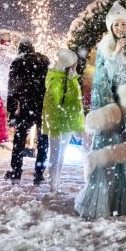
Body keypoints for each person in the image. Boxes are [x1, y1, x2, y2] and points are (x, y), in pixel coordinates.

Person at [75, 2, 126, 219]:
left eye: (123, 24)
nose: (121, 28)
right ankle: (108, 200)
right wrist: (115, 55)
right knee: (111, 154)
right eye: (117, 25)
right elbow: (102, 80)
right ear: (111, 28)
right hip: (116, 111)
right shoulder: (105, 50)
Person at [6, 38, 50, 186]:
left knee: (19, 141)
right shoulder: (44, 61)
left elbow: (12, 88)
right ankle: (39, 173)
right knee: (43, 141)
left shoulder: (18, 62)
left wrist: (12, 111)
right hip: (43, 106)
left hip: (26, 106)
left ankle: (16, 171)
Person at [42, 48, 84, 195]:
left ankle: (56, 184)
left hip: (66, 124)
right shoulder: (58, 82)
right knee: (55, 155)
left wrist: (77, 125)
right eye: (74, 63)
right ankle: (53, 185)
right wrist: (55, 125)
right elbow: (52, 106)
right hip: (59, 125)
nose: (76, 65)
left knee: (60, 155)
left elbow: (76, 106)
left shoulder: (71, 80)